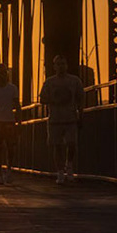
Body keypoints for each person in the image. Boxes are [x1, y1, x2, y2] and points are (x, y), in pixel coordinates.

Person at [40, 55, 84, 184]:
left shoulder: (75, 81)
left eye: (63, 64)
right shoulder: (49, 82)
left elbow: (80, 98)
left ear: (67, 65)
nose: (61, 66)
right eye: (58, 64)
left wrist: (81, 115)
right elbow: (42, 98)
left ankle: (69, 166)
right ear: (54, 66)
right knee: (57, 146)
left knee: (72, 144)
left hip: (70, 118)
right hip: (55, 119)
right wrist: (53, 100)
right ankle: (60, 172)